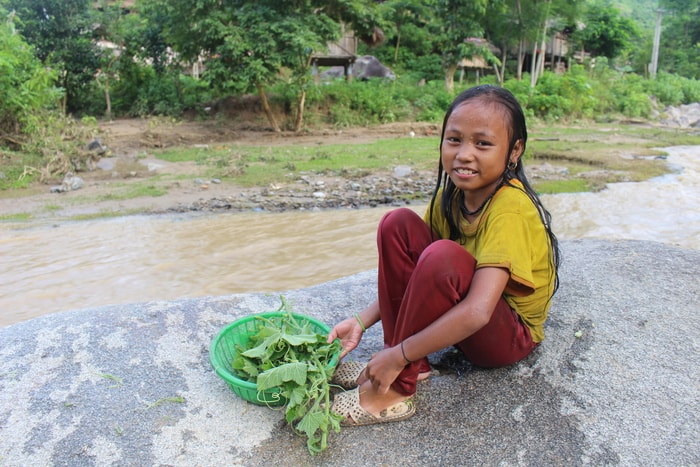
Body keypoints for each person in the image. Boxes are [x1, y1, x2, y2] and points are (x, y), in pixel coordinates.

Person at [327, 84, 561, 426]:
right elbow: (416, 274)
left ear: (514, 150)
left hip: (506, 335)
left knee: (444, 257)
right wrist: (362, 321)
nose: (464, 154)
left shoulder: (510, 208)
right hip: (463, 317)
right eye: (454, 140)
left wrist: (398, 355)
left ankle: (395, 388)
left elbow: (479, 311)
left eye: (482, 143)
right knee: (398, 224)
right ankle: (408, 366)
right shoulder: (449, 198)